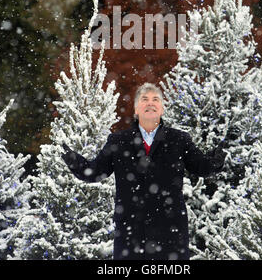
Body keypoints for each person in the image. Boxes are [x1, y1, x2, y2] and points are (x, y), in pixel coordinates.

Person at [61, 82, 226, 260]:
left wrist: (215, 160)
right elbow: (95, 171)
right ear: (136, 110)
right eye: (144, 99)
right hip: (131, 231)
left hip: (170, 230)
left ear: (162, 109)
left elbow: (200, 167)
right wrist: (75, 162)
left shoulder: (179, 139)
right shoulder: (118, 141)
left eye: (155, 99)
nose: (150, 103)